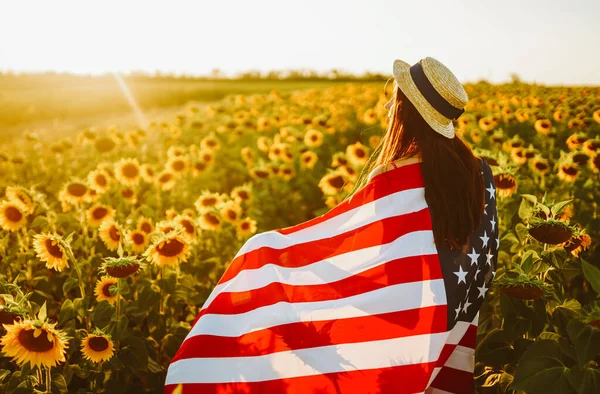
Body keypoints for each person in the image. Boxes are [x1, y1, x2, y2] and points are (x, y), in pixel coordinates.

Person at [165, 57, 499, 394]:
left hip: (406, 322)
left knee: (260, 254)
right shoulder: (480, 176)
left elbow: (373, 270)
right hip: (449, 319)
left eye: (394, 99)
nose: (387, 107)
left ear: (404, 110)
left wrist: (286, 266)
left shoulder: (395, 178)